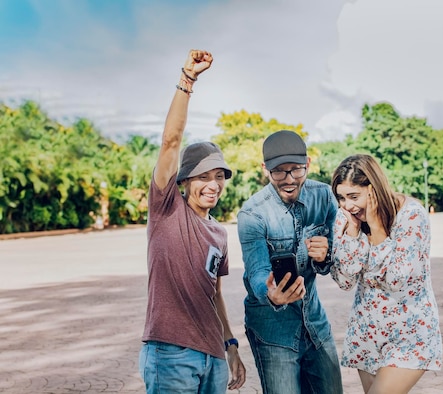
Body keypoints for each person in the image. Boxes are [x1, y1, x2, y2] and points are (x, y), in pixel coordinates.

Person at [138, 49, 246, 393]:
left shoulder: (219, 233)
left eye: (219, 176)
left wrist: (230, 347)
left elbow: (214, 295)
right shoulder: (166, 208)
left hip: (212, 358)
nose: (212, 185)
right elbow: (170, 142)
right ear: (184, 181)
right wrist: (188, 80)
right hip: (170, 355)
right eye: (202, 177)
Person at [237, 130, 343, 394]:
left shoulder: (324, 196)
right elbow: (257, 272)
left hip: (314, 322)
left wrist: (325, 254)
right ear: (265, 169)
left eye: (296, 170)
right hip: (273, 329)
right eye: (279, 172)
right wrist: (271, 294)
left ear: (307, 164)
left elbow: (336, 255)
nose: (289, 179)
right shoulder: (252, 214)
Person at [330, 154, 443, 394]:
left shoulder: (411, 215)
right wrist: (353, 232)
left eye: (353, 196)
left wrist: (378, 230)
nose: (347, 205)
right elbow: (345, 280)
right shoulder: (347, 217)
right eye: (341, 197)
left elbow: (396, 279)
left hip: (410, 333)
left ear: (373, 189)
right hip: (367, 332)